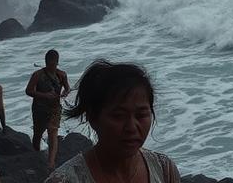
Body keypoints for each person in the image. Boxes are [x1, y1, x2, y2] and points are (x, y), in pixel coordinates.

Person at [44, 60, 179, 183]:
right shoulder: (65, 180)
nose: (131, 127)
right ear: (93, 118)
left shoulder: (164, 170)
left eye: (141, 115)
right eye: (119, 116)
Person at [26, 49, 70, 171]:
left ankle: (50, 163)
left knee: (53, 132)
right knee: (38, 134)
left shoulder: (62, 75)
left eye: (54, 63)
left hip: (55, 108)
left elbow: (67, 88)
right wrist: (44, 95)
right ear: (45, 62)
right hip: (40, 109)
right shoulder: (38, 75)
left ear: (57, 62)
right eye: (49, 63)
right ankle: (36, 154)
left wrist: (64, 93)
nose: (52, 65)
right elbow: (28, 91)